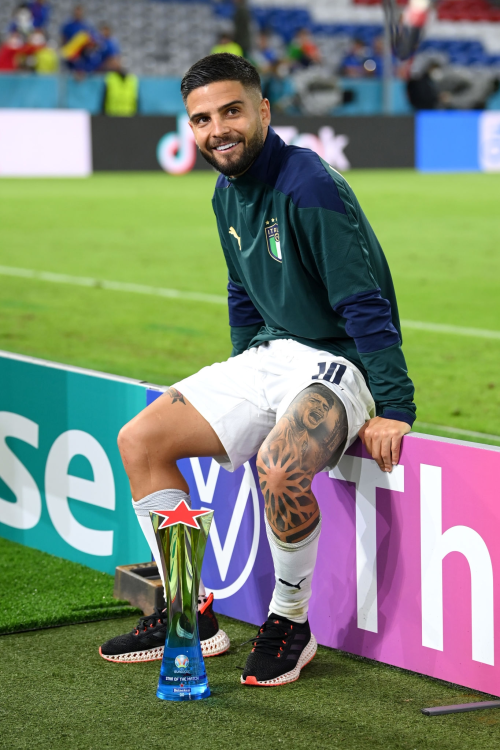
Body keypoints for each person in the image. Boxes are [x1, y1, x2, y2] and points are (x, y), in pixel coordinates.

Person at [100, 53, 415, 686]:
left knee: (279, 466)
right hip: (268, 357)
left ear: (263, 111)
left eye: (232, 111)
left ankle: (290, 624)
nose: (218, 128)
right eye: (202, 118)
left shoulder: (309, 184)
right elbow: (242, 290)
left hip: (335, 363)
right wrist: (241, 371)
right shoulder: (225, 190)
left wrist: (395, 408)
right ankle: (187, 610)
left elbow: (364, 302)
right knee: (141, 441)